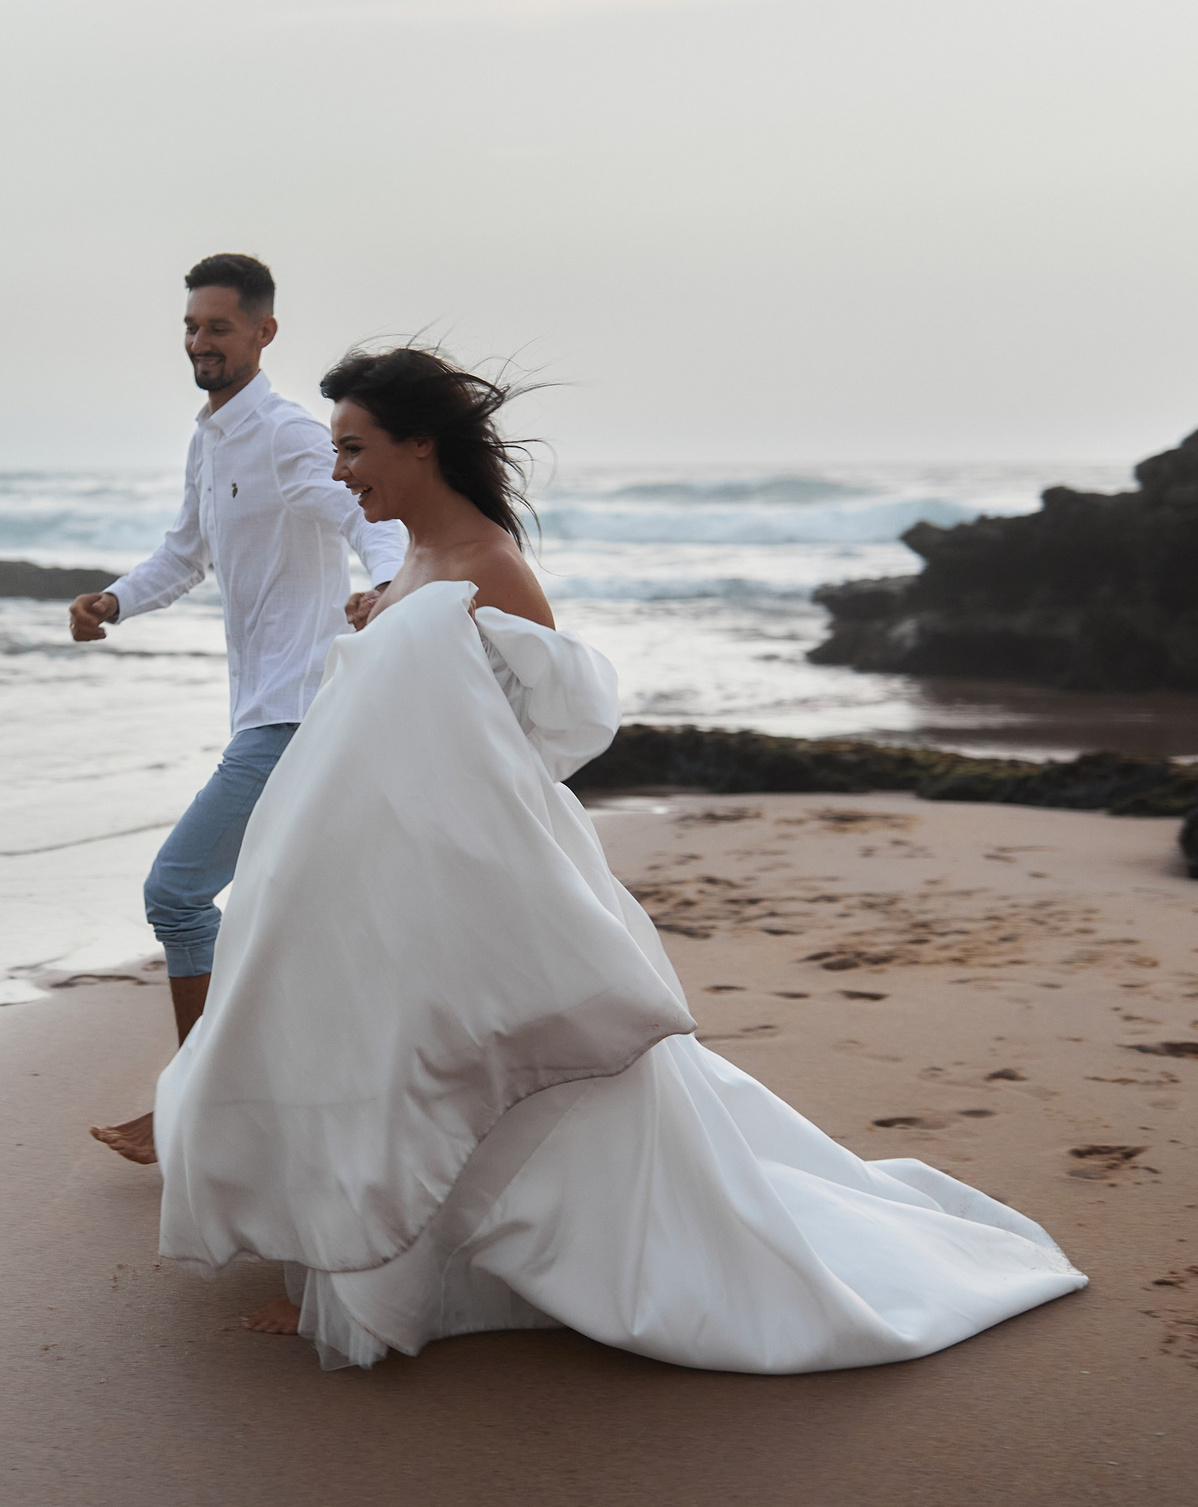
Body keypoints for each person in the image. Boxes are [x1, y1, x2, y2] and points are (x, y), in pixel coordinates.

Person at [151, 345, 1088, 1370]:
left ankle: (412, 1275)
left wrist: (414, 667)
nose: (339, 472)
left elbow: (545, 728)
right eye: (335, 450)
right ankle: (382, 1256)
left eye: (354, 448)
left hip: (469, 864)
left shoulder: (491, 567)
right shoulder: (408, 563)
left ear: (419, 444)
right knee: (389, 1050)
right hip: (392, 864)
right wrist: (388, 624)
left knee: (453, 1055)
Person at [73, 255, 405, 1165]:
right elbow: (185, 553)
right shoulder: (211, 438)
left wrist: (387, 590)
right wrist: (114, 600)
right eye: (191, 326)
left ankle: (200, 1110)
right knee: (282, 918)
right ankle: (281, 1104)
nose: (199, 341)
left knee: (177, 894)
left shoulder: (289, 434)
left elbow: (369, 517)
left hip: (296, 710)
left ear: (263, 332)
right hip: (264, 710)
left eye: (217, 326)